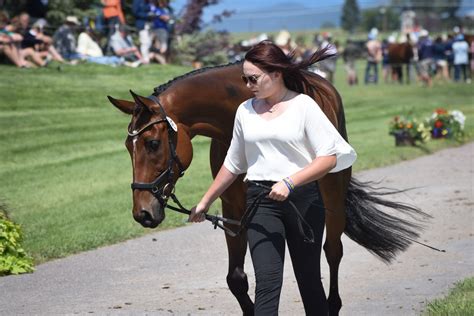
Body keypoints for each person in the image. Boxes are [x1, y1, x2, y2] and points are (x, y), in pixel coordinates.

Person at [188, 41, 357, 315]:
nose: (247, 85)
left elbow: (329, 157)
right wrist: (206, 200)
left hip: (302, 202)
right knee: (266, 283)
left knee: (309, 282)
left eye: (253, 78)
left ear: (276, 73)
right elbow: (234, 162)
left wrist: (290, 182)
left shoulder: (304, 106)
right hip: (261, 201)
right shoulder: (245, 111)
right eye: (244, 79)